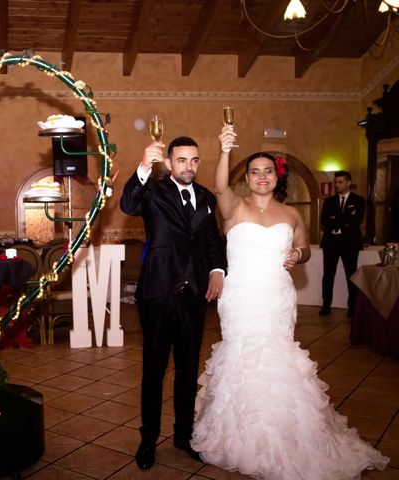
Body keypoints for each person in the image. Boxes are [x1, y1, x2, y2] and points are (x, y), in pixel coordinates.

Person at [191, 126, 389, 479]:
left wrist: (298, 253)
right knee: (242, 354)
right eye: (255, 171)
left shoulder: (292, 214)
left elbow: (306, 249)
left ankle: (283, 430)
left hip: (276, 296)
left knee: (277, 357)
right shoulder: (233, 206)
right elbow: (219, 186)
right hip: (241, 297)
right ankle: (241, 432)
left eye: (268, 170)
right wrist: (224, 150)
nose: (262, 176)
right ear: (247, 177)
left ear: (276, 176)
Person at [120, 136, 226, 470]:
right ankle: (148, 439)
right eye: (181, 160)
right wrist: (141, 167)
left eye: (194, 160)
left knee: (187, 369)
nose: (189, 167)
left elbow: (212, 242)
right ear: (169, 163)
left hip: (194, 298)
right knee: (153, 371)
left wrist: (217, 269)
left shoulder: (207, 197)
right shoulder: (152, 190)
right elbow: (127, 204)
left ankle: (184, 436)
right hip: (158, 293)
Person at [319, 170, 365, 316]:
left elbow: (355, 220)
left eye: (340, 182)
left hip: (350, 243)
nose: (337, 185)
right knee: (328, 275)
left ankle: (352, 307)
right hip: (330, 243)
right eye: (336, 182)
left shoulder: (358, 200)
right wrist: (343, 220)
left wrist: (336, 219)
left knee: (351, 275)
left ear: (348, 183)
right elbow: (324, 221)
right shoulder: (329, 201)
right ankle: (326, 305)